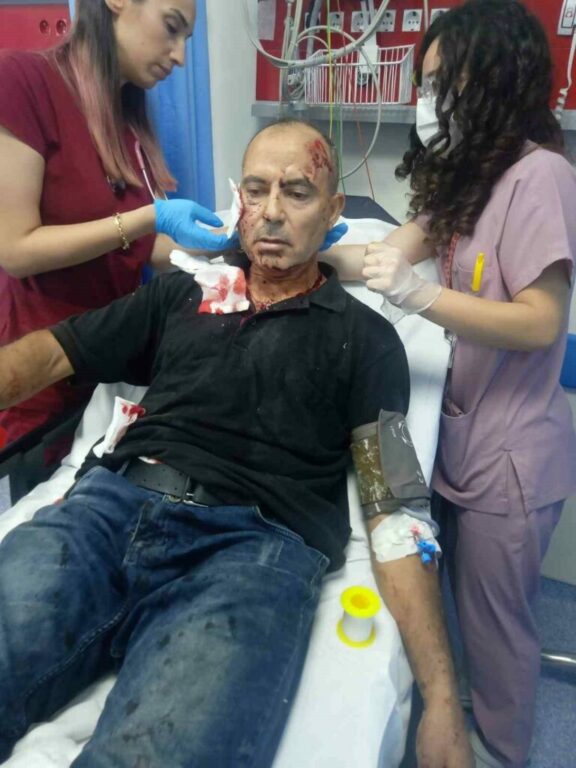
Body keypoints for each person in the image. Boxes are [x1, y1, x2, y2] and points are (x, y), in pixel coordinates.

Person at [0, 119, 472, 768]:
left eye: (297, 192)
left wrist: (440, 698)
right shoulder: (180, 295)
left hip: (250, 555)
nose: (272, 211)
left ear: (333, 211)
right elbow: (52, 354)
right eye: (256, 189)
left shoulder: (366, 340)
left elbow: (394, 513)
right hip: (106, 513)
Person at [328, 2, 576, 766]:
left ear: (492, 79)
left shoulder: (540, 177)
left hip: (511, 456)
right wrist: (294, 245)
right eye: (423, 83)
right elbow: (381, 256)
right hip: (463, 437)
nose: (425, 101)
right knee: (468, 608)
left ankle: (500, 748)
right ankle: (470, 707)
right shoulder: (471, 177)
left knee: (498, 626)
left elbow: (541, 321)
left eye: (440, 84)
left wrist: (421, 295)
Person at [0, 0, 237, 445]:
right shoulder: (23, 81)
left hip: (110, 369)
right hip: (45, 376)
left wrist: (228, 240)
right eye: (171, 27)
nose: (180, 56)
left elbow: (140, 248)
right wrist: (150, 217)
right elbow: (14, 249)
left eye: (187, 39)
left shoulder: (127, 120)